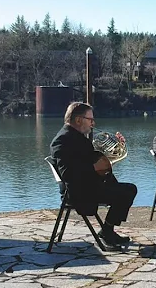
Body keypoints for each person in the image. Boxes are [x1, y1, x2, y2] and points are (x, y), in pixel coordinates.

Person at [50, 102, 136, 248]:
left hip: (88, 185)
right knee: (127, 191)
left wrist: (113, 153)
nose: (93, 123)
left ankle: (107, 231)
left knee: (127, 189)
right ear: (78, 120)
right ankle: (107, 232)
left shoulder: (77, 137)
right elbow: (68, 174)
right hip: (78, 191)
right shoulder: (62, 140)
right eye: (90, 119)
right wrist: (94, 167)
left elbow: (92, 163)